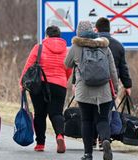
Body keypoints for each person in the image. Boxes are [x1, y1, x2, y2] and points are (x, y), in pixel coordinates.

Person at [65, 20, 119, 160]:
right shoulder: (104, 46)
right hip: (104, 91)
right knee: (102, 119)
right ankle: (105, 139)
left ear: (78, 32)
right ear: (93, 31)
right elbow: (113, 70)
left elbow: (67, 63)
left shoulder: (76, 46)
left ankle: (88, 154)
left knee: (87, 120)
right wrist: (116, 89)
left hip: (84, 91)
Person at [20, 25, 72, 153]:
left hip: (40, 84)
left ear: (47, 36)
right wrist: (63, 79)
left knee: (40, 113)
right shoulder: (66, 50)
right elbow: (69, 68)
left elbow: (29, 65)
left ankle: (40, 144)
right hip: (59, 84)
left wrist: (22, 82)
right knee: (56, 113)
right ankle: (60, 135)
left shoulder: (39, 48)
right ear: (59, 36)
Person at [93, 17, 133, 148]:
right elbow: (123, 68)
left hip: (92, 83)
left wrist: (75, 83)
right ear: (109, 30)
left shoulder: (92, 44)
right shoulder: (118, 46)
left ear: (96, 29)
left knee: (91, 110)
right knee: (106, 112)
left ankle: (92, 137)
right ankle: (103, 138)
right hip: (111, 85)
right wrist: (127, 85)